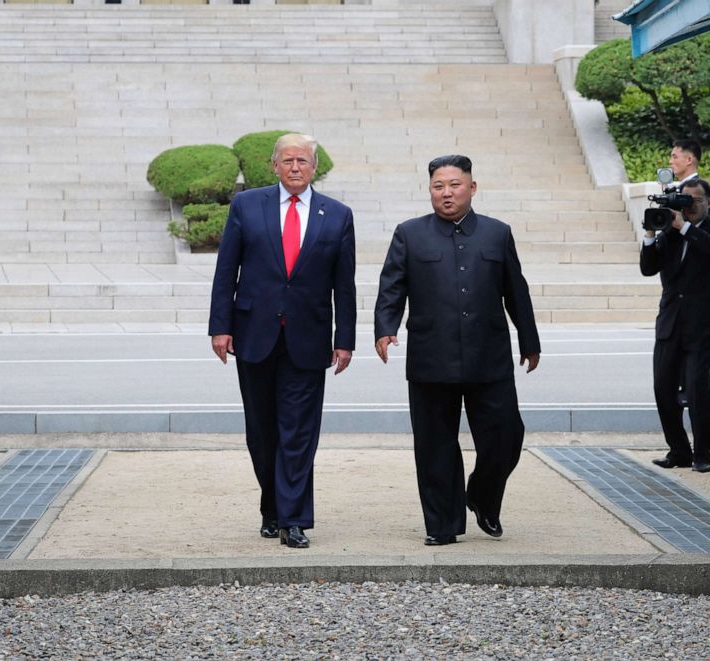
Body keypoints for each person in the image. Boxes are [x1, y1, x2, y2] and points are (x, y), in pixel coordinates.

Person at [374, 154, 541, 546]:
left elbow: (517, 291)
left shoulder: (497, 233)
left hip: (490, 357)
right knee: (435, 445)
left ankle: (482, 495)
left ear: (472, 187)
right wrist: (385, 328)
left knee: (506, 436)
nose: (446, 193)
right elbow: (391, 287)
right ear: (430, 190)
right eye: (438, 186)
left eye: (454, 185)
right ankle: (442, 524)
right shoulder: (410, 234)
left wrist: (529, 340)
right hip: (432, 357)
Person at [209, 133, 356, 550]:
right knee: (261, 431)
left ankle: (294, 518)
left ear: (315, 167)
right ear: (274, 166)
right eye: (288, 160)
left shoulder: (338, 215)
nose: (295, 167)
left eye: (303, 161)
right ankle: (272, 507)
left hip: (308, 339)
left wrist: (345, 339)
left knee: (299, 431)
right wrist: (220, 326)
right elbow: (226, 271)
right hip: (253, 333)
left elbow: (344, 286)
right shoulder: (246, 205)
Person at [641, 178, 710, 473]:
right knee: (663, 388)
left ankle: (702, 454)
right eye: (685, 200)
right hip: (670, 322)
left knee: (696, 388)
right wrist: (650, 233)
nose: (690, 206)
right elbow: (648, 268)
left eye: (695, 200)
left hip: (702, 324)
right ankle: (678, 450)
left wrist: (684, 227)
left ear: (709, 202)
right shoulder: (670, 232)